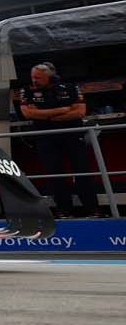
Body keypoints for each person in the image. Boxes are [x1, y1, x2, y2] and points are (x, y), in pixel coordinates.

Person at [18, 61, 101, 218]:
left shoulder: (70, 87)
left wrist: (46, 115)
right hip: (45, 137)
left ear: (51, 77)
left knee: (82, 171)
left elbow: (80, 112)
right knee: (54, 173)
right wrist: (62, 110)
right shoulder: (27, 90)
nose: (34, 80)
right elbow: (28, 113)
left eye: (38, 78)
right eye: (33, 77)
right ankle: (64, 210)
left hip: (72, 134)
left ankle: (92, 209)